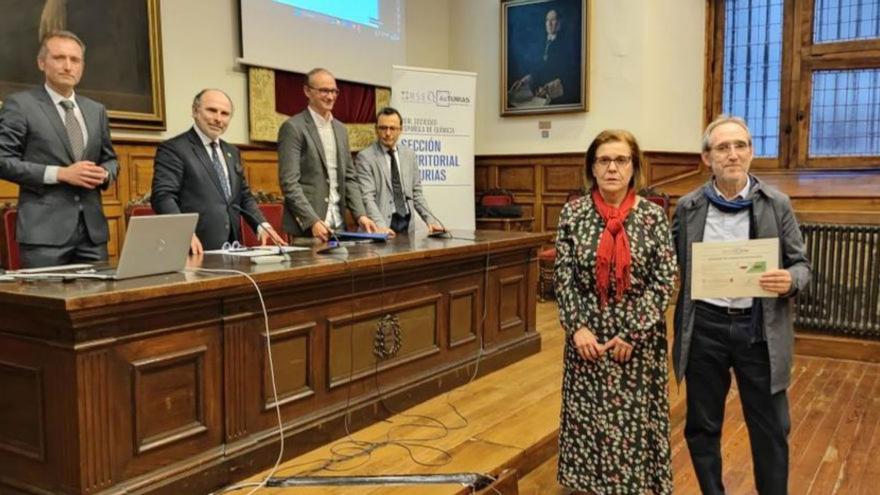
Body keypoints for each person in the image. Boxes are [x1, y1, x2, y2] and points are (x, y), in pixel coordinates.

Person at [672, 116, 811, 495]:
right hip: (706, 328)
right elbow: (668, 262)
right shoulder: (688, 207)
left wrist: (790, 280)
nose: (732, 154)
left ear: (750, 152)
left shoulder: (776, 203)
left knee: (771, 428)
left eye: (740, 146)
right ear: (706, 157)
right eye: (722, 147)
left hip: (759, 330)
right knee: (702, 426)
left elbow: (802, 266)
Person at [554, 130, 675, 494]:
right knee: (589, 417)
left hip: (636, 342)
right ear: (592, 167)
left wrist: (633, 332)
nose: (612, 168)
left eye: (621, 160)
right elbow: (562, 277)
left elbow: (665, 279)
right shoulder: (572, 213)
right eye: (604, 160)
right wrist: (577, 328)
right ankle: (589, 484)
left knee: (634, 421)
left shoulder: (653, 217)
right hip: (587, 340)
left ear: (633, 167)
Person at [0, 30, 117, 268]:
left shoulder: (96, 110)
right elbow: (3, 160)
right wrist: (60, 173)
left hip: (93, 235)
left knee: (96, 303)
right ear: (42, 63)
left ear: (82, 66)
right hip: (44, 236)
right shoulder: (20, 105)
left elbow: (110, 159)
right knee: (47, 304)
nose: (67, 66)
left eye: (75, 60)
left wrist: (105, 173)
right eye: (59, 58)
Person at [151, 89, 286, 254]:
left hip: (233, 249)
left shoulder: (232, 152)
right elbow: (163, 196)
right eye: (212, 110)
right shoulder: (174, 149)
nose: (218, 119)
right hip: (194, 250)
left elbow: (243, 196)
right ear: (195, 111)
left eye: (225, 114)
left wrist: (262, 225)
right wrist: (183, 234)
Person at [277, 68, 377, 241]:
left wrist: (361, 215)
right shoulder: (293, 128)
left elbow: (349, 178)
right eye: (324, 91)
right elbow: (289, 183)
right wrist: (312, 220)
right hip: (309, 231)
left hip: (339, 226)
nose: (330, 97)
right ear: (307, 91)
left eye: (334, 91)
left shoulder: (341, 129)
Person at [355, 107, 443, 236]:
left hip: (407, 224)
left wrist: (431, 220)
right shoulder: (365, 158)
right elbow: (367, 197)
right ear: (376, 130)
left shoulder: (409, 154)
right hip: (381, 225)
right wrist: (381, 227)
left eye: (392, 128)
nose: (388, 133)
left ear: (400, 130)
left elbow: (416, 193)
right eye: (383, 128)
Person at [508, 8, 581, 106]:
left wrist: (548, 89)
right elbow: (538, 69)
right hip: (538, 93)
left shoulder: (567, 46)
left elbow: (569, 77)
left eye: (553, 20)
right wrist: (524, 80)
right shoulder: (540, 44)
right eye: (547, 20)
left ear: (559, 23)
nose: (549, 23)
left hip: (557, 98)